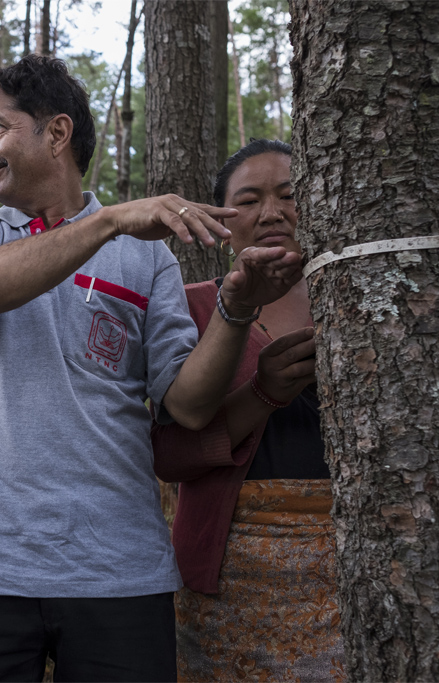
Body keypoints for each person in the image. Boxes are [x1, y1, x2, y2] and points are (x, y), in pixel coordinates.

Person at [0, 54, 303, 682]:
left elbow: (188, 406)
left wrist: (235, 306)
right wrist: (110, 220)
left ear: (56, 134)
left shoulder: (146, 262)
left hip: (119, 575)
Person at [151, 139, 345, 681]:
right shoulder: (188, 306)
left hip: (357, 561)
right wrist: (262, 395)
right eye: (250, 199)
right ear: (221, 219)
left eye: (290, 195)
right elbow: (168, 454)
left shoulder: (357, 299)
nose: (272, 213)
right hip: (229, 571)